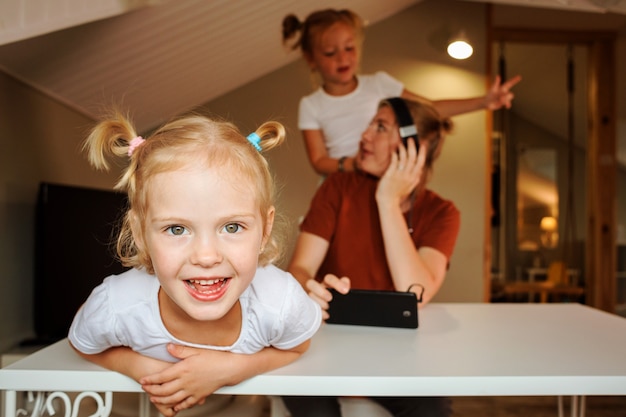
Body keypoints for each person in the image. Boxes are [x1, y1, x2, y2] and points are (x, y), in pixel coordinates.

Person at [68, 111, 322, 417]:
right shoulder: (118, 304)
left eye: (232, 227)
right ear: (140, 233)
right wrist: (143, 368)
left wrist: (234, 369)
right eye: (177, 229)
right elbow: (82, 341)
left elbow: (299, 345)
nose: (206, 257)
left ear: (265, 229)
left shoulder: (279, 301)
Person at [283, 97, 460, 417]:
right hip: (325, 342)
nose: (365, 136)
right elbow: (299, 268)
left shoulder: (442, 213)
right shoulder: (338, 187)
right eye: (370, 125)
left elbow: (416, 294)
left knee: (433, 410)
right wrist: (309, 287)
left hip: (398, 353)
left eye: (380, 128)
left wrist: (387, 202)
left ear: (412, 147)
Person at [282, 8, 522, 176]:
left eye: (349, 48)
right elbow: (319, 160)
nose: (343, 58)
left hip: (381, 179)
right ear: (311, 58)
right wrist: (354, 165)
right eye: (330, 52)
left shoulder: (378, 83)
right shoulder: (311, 104)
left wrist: (483, 101)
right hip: (341, 182)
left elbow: (430, 109)